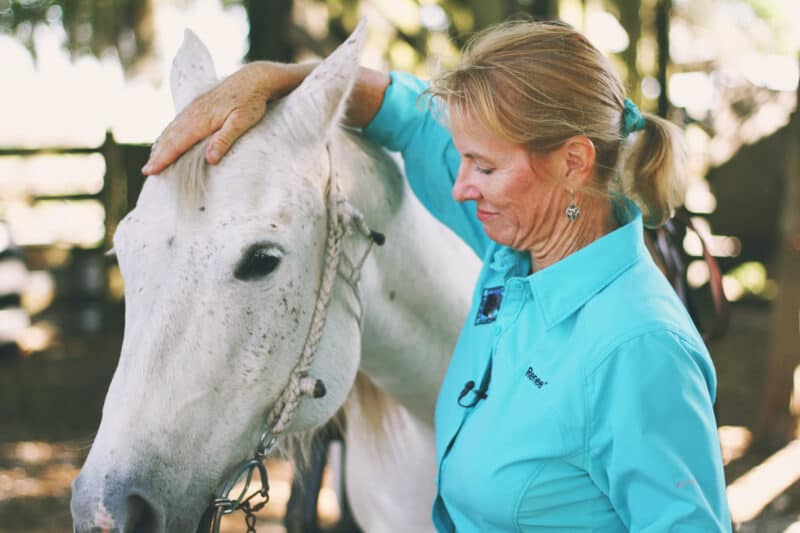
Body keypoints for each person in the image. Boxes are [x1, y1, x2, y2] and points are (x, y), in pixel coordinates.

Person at [143, 19, 731, 532]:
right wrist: (272, 79)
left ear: (573, 163)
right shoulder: (526, 241)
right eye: (463, 157)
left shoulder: (641, 349)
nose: (458, 187)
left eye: (484, 165)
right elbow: (408, 119)